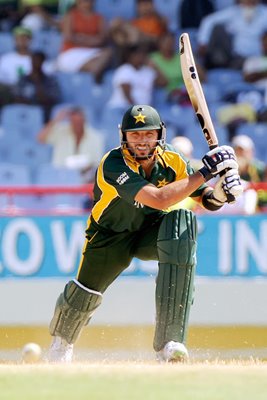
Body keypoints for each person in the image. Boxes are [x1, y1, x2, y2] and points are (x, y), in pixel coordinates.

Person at [46, 104, 243, 363]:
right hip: (110, 236)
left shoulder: (171, 158)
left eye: (148, 134)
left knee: (182, 221)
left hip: (150, 230)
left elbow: (203, 198)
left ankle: (170, 342)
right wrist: (207, 170)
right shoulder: (113, 163)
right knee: (86, 291)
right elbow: (160, 199)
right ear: (123, 136)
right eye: (135, 134)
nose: (142, 141)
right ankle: (61, 344)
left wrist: (220, 194)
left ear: (160, 134)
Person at [37, 107, 105, 183]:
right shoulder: (61, 132)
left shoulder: (96, 137)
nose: (77, 124)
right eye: (74, 121)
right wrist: (56, 120)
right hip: (61, 177)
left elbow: (96, 163)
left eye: (79, 121)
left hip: (86, 179)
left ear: (84, 120)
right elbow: (40, 139)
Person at [197, 0, 267, 69]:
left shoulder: (265, 12)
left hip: (258, 57)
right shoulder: (233, 12)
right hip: (237, 57)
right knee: (218, 30)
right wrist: (203, 42)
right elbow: (209, 21)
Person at [56, 0, 112, 83]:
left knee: (108, 52)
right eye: (84, 1)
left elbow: (102, 39)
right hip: (72, 52)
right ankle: (95, 72)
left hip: (92, 53)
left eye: (89, 1)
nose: (86, 3)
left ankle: (96, 71)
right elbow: (68, 37)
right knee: (100, 62)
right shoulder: (71, 15)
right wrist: (92, 39)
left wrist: (81, 38)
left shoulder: (100, 18)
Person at [107, 44, 167, 110]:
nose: (140, 57)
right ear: (130, 56)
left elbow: (164, 83)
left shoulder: (148, 71)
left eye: (142, 54)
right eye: (137, 54)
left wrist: (154, 67)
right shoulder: (125, 69)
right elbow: (127, 94)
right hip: (123, 108)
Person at [13, 50, 61, 121]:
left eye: (38, 60)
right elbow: (16, 97)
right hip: (24, 112)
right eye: (33, 60)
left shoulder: (50, 80)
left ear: (42, 62)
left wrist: (37, 82)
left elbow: (53, 99)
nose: (35, 63)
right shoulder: (23, 79)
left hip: (43, 113)